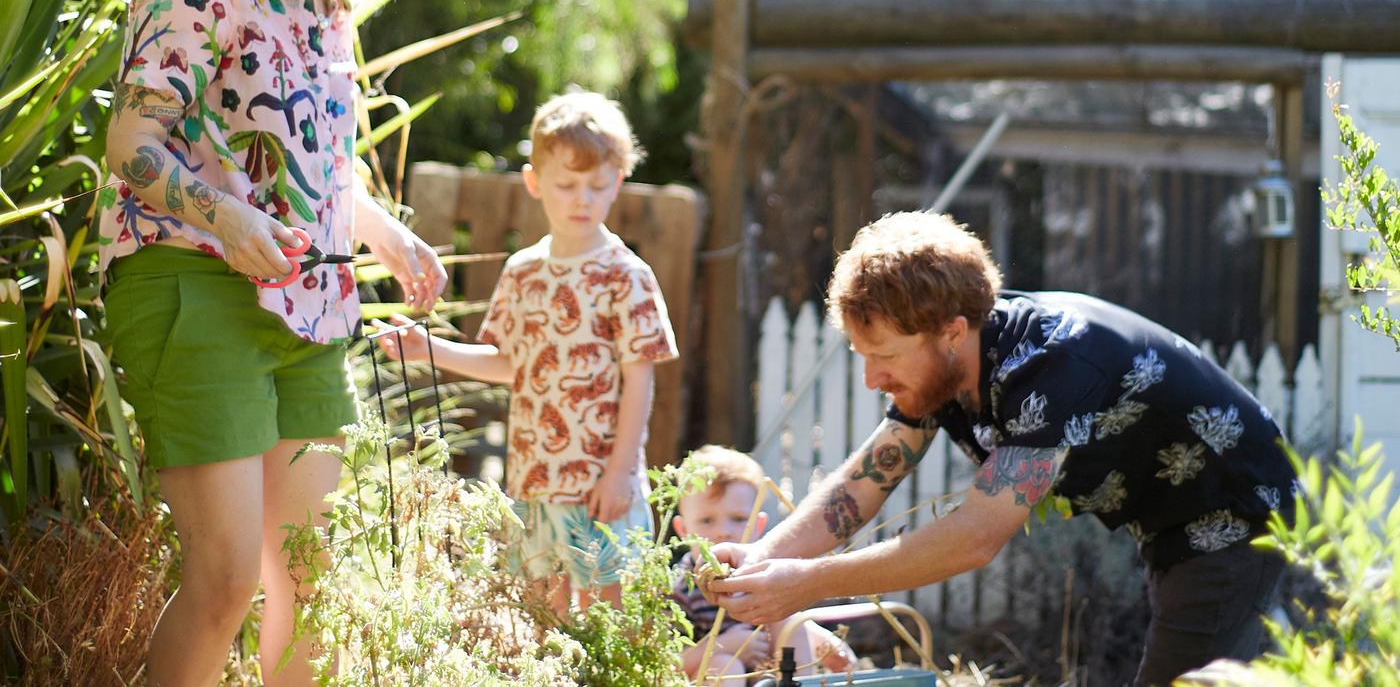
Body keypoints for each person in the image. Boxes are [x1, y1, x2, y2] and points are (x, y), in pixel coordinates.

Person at [99, 0, 450, 683]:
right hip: (192, 288)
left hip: (309, 308)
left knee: (311, 584)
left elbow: (313, 163)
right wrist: (227, 220)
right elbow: (131, 144)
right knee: (223, 585)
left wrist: (384, 231)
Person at [704, 211, 1296, 687]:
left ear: (951, 332)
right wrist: (761, 563)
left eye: (884, 357)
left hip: (1237, 518)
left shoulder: (1048, 370)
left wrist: (803, 582)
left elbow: (976, 537)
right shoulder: (945, 368)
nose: (872, 380)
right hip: (1173, 528)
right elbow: (865, 482)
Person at [377, 91, 679, 612]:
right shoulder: (523, 271)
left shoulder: (626, 275)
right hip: (534, 478)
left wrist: (622, 471)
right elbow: (512, 364)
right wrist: (428, 349)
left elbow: (640, 379)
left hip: (601, 483)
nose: (582, 199)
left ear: (618, 182)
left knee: (618, 617)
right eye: (566, 185)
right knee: (545, 616)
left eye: (597, 185)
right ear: (534, 182)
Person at [671, 445, 855, 683]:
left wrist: (822, 640)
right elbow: (672, 664)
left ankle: (801, 682)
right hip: (714, 677)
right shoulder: (681, 589)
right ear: (683, 530)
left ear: (758, 526)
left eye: (738, 519)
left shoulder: (759, 574)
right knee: (726, 665)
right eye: (706, 520)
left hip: (766, 674)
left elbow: (781, 616)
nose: (723, 531)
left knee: (788, 621)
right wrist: (722, 646)